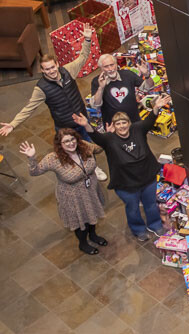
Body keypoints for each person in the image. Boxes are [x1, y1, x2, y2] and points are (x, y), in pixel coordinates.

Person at [1, 23, 107, 181]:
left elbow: (83, 57)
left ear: (57, 64)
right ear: (42, 70)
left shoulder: (68, 70)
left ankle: (93, 166)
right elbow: (29, 108)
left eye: (52, 67)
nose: (50, 71)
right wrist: (13, 124)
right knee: (71, 150)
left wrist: (86, 39)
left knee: (88, 145)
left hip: (82, 119)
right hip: (64, 126)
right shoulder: (41, 89)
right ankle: (81, 170)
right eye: (46, 69)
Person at [72, 95, 171, 241]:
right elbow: (96, 137)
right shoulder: (109, 140)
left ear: (129, 123)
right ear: (114, 126)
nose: (122, 126)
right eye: (118, 124)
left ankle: (155, 225)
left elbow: (150, 120)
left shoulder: (138, 129)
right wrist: (86, 124)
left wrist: (156, 106)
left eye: (124, 122)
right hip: (126, 184)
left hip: (147, 178)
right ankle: (138, 230)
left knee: (150, 204)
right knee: (133, 209)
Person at [19, 130, 108, 255]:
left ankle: (93, 236)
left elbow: (99, 148)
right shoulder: (53, 158)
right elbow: (35, 172)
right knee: (82, 222)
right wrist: (31, 158)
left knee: (92, 215)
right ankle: (83, 244)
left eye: (72, 139)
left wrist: (106, 136)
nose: (71, 143)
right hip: (73, 197)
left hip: (91, 190)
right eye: (66, 141)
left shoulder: (85, 146)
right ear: (60, 144)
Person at [90, 53, 154, 125]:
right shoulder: (97, 81)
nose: (110, 69)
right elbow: (96, 105)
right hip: (113, 126)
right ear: (101, 68)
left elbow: (149, 87)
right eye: (106, 67)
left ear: (116, 64)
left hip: (134, 121)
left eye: (112, 65)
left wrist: (147, 75)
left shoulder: (128, 74)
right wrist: (101, 88)